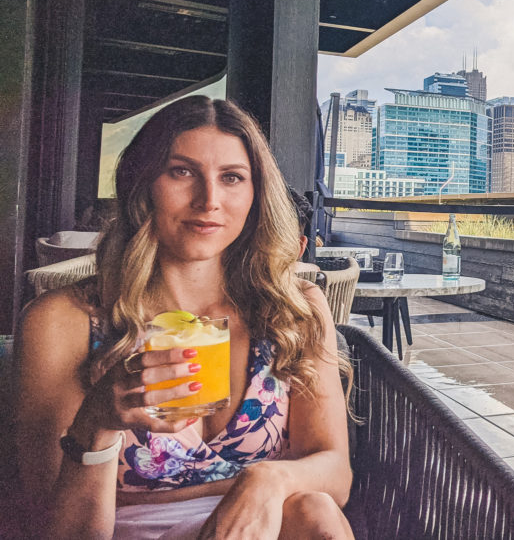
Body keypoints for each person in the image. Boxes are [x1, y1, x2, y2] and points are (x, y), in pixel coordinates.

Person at [14, 96, 355, 539]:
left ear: (255, 195)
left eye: (232, 177)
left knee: (315, 510)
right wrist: (97, 423)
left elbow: (336, 474)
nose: (209, 200)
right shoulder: (62, 321)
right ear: (143, 183)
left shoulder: (293, 308)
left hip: (258, 521)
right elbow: (53, 527)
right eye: (182, 172)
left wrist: (267, 479)